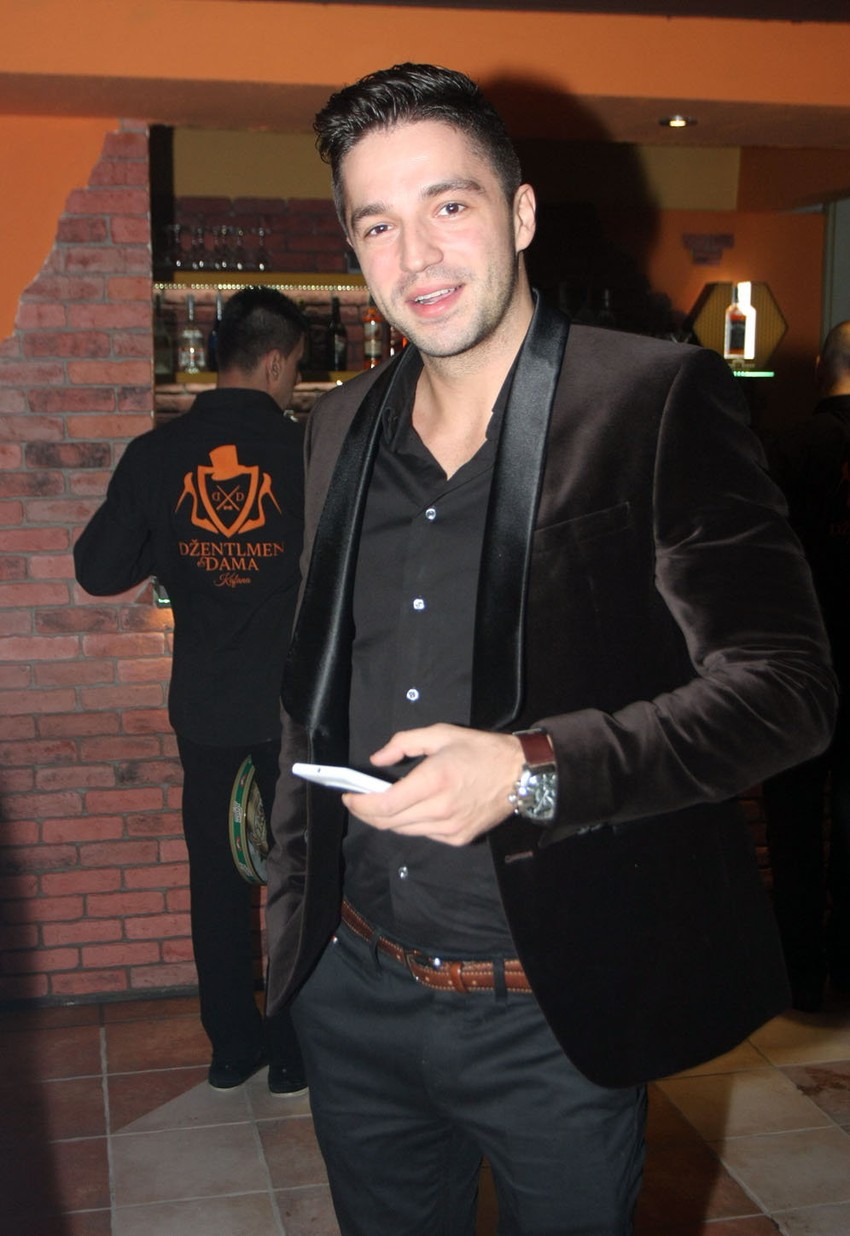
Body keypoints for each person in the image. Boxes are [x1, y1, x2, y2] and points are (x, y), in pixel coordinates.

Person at [264, 63, 837, 1234]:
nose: (417, 256)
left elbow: (786, 692)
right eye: (378, 224)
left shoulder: (653, 399)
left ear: (519, 213)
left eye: (449, 204)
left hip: (549, 1010)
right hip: (354, 985)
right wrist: (287, 901)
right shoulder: (334, 427)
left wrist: (532, 769)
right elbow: (315, 678)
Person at [75, 286, 308, 1094]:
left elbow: (98, 569)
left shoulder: (158, 455)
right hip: (294, 708)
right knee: (297, 876)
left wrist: (170, 547)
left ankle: (232, 1048)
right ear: (274, 362)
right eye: (294, 368)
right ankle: (293, 1051)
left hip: (206, 707)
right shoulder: (310, 451)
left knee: (216, 878)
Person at [762, 321, 850, 1012]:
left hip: (802, 662)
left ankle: (799, 973)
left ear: (823, 365)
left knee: (793, 823)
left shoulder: (788, 445)